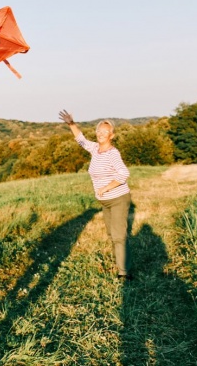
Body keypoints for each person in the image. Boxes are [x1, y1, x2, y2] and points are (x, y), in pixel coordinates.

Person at [58, 110, 132, 280]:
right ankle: (121, 263)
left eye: (105, 132)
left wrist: (106, 187)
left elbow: (123, 173)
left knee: (119, 236)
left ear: (111, 135)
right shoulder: (95, 149)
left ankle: (124, 273)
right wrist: (71, 123)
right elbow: (81, 139)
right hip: (105, 202)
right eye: (99, 131)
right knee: (112, 234)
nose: (101, 134)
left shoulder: (113, 153)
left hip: (118, 198)